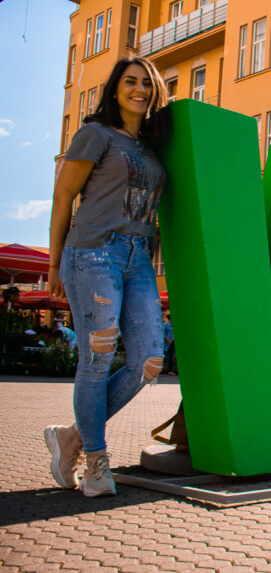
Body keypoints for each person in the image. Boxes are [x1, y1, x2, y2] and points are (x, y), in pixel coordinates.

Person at [43, 55, 169, 497]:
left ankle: (71, 438)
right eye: (130, 82)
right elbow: (63, 198)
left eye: (147, 84)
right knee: (96, 358)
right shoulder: (94, 135)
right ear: (115, 89)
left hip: (138, 259)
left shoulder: (152, 147)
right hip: (93, 251)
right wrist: (54, 262)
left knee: (150, 360)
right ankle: (96, 462)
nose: (139, 90)